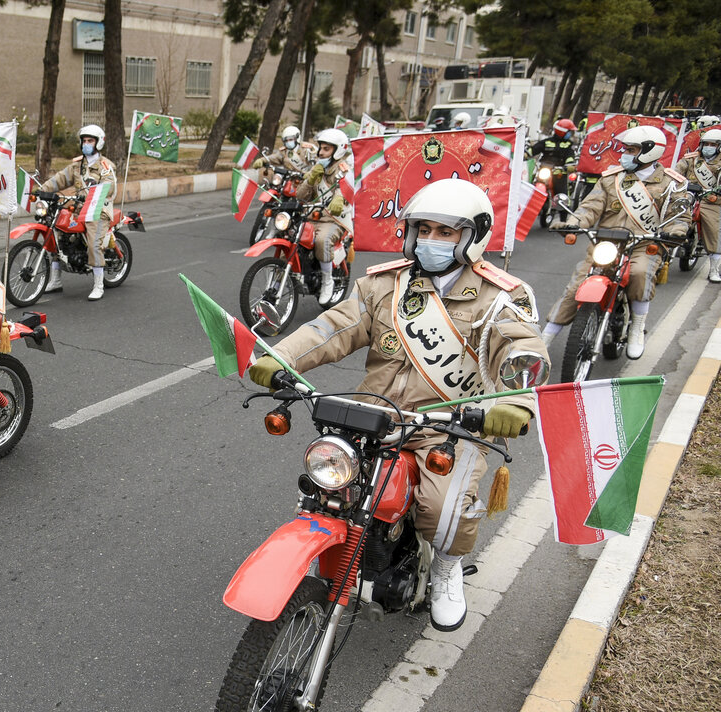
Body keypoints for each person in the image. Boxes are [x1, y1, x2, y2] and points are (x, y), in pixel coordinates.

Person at [248, 178, 549, 632]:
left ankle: (447, 568)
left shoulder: (500, 296)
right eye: (423, 229)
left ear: (473, 236)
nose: (430, 240)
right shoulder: (384, 285)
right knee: (328, 490)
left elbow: (520, 348)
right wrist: (279, 357)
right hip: (377, 418)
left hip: (449, 426)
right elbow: (334, 327)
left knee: (442, 509)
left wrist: (517, 400)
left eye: (445, 232)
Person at [544, 125, 690, 358]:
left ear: (650, 151)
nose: (625, 154)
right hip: (606, 243)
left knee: (640, 273)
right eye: (626, 149)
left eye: (632, 150)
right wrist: (572, 222)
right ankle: (544, 341)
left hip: (643, 244)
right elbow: (590, 207)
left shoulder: (671, 183)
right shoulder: (611, 179)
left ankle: (637, 328)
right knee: (576, 285)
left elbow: (680, 214)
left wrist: (677, 230)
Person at [35, 124, 117, 301]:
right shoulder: (76, 166)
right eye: (84, 141)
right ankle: (56, 280)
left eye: (90, 141)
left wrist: (99, 190)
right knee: (56, 232)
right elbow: (59, 179)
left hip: (98, 209)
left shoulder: (105, 166)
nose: (86, 143)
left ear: (98, 143)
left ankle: (98, 285)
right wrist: (41, 190)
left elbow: (109, 186)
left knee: (94, 243)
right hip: (79, 208)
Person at [297, 128, 354, 306]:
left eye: (326, 149)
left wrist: (338, 199)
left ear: (338, 151)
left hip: (335, 220)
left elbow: (343, 189)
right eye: (320, 148)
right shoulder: (318, 168)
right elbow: (300, 196)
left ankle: (327, 281)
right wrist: (310, 180)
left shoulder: (343, 169)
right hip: (313, 217)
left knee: (322, 240)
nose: (321, 152)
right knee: (291, 236)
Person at [674, 127, 721, 283]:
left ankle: (714, 268)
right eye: (706, 143)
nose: (708, 147)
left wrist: (714, 193)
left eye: (712, 144)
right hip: (687, 194)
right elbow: (677, 172)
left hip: (710, 199)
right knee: (669, 217)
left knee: (714, 230)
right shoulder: (690, 158)